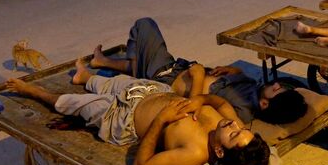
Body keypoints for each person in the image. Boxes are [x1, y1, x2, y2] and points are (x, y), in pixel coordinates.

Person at [6, 59, 271, 165]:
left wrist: (162, 119)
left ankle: (35, 92)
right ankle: (85, 77)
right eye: (240, 128)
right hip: (150, 91)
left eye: (234, 134)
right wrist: (198, 100)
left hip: (121, 118)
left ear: (219, 151)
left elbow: (142, 163)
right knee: (113, 82)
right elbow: (221, 101)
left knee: (73, 104)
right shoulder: (228, 121)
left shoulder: (193, 154)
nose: (234, 124)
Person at [90, 17, 308, 125]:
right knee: (145, 56)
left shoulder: (241, 112)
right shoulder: (255, 89)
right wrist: (232, 70)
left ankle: (136, 70)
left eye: (278, 90)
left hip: (166, 75)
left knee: (144, 25)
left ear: (264, 104)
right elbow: (231, 82)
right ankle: (105, 62)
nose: (277, 84)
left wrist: (198, 76)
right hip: (177, 68)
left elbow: (198, 107)